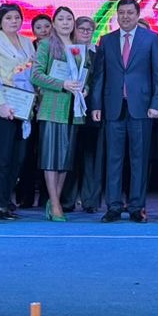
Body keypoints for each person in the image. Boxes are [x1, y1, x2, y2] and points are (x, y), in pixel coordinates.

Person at [91, 0, 158, 223]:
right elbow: (99, 76)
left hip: (141, 108)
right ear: (117, 15)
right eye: (121, 12)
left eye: (129, 13)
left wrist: (156, 104)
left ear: (137, 14)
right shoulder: (107, 40)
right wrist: (96, 105)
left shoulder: (151, 38)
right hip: (113, 107)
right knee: (113, 159)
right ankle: (113, 206)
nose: (125, 16)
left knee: (139, 160)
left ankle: (136, 207)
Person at [29, 6, 83, 222]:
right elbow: (36, 75)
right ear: (54, 23)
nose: (65, 22)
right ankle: (55, 203)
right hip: (52, 107)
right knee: (52, 157)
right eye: (61, 19)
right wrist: (63, 84)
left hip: (74, 109)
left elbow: (84, 74)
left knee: (65, 159)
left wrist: (84, 87)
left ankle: (55, 201)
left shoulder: (79, 47)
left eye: (69, 18)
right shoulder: (45, 45)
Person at [0, 3, 35, 220]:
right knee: (1, 158)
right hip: (0, 109)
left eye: (17, 17)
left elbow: (32, 73)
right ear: (0, 21)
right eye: (8, 18)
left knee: (17, 158)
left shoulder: (27, 42)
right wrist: (0, 104)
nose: (14, 21)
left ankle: (6, 199)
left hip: (23, 106)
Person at [62, 15, 104, 213]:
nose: (86, 33)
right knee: (70, 154)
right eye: (82, 29)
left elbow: (100, 80)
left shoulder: (99, 53)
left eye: (90, 29)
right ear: (74, 30)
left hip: (92, 110)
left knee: (91, 156)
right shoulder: (67, 51)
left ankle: (90, 201)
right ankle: (67, 200)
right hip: (69, 107)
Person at [15, 13, 53, 210]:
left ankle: (48, 197)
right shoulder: (27, 49)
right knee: (27, 154)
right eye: (39, 27)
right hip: (28, 108)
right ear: (33, 30)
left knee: (48, 153)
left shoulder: (59, 49)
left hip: (50, 106)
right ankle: (25, 196)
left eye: (47, 26)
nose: (43, 30)